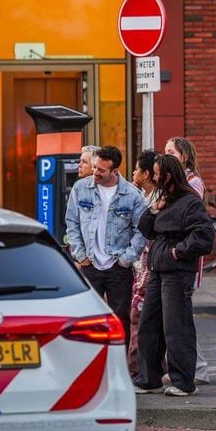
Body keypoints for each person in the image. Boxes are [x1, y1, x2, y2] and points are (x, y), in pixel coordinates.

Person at [135, 154, 215, 396]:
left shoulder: (190, 202)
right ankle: (149, 378)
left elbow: (204, 236)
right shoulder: (164, 200)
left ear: (168, 176)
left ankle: (183, 382)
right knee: (149, 325)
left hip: (177, 271)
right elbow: (146, 230)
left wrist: (177, 252)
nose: (154, 177)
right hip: (158, 269)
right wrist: (152, 210)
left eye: (157, 173)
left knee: (176, 326)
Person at [63, 145, 148, 339]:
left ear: (115, 171)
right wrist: (80, 254)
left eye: (101, 170)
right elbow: (71, 222)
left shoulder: (132, 195)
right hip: (90, 263)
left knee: (120, 319)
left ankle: (120, 365)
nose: (95, 173)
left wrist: (126, 259)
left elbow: (141, 230)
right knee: (86, 318)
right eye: (95, 168)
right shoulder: (81, 188)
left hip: (118, 266)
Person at [163, 135, 211, 383]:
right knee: (177, 316)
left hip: (184, 259)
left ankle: (196, 368)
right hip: (170, 258)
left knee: (180, 317)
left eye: (171, 152)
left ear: (184, 156)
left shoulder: (192, 183)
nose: (166, 155)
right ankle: (192, 366)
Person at [128, 149, 159, 386]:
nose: (133, 173)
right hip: (140, 269)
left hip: (148, 270)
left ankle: (137, 370)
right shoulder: (140, 196)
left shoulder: (156, 200)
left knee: (140, 320)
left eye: (137, 169)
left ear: (147, 174)